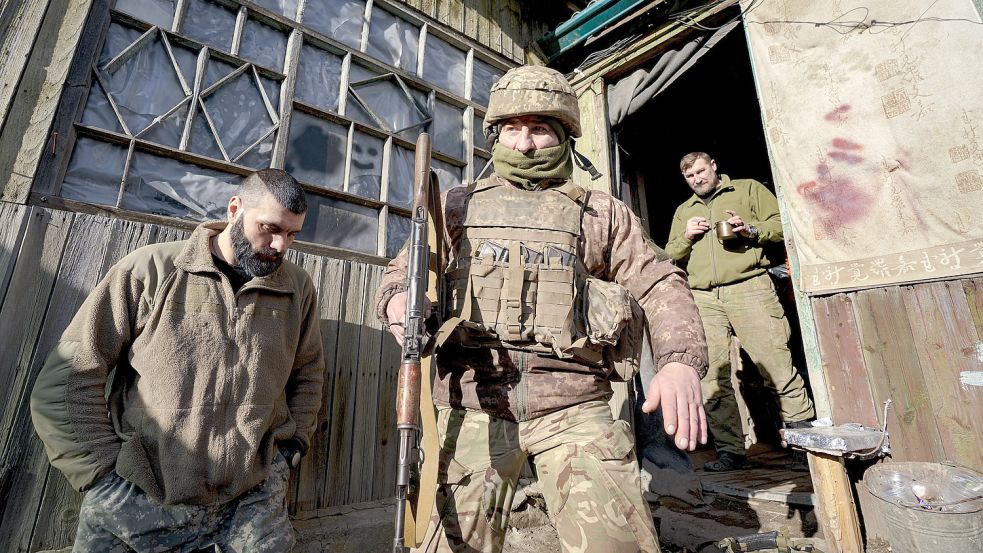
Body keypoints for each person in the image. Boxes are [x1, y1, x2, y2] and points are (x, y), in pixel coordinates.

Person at [376, 65, 709, 553]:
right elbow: (402, 274)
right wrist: (401, 302)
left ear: (564, 135)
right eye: (513, 128)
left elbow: (659, 281)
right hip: (474, 406)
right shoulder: (455, 205)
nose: (525, 143)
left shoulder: (602, 212)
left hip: (575, 406)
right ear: (496, 134)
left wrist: (681, 360)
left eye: (539, 129)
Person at [31, 169, 325, 551]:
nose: (280, 245)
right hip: (142, 499)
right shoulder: (151, 271)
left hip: (251, 503)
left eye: (291, 234)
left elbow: (309, 375)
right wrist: (103, 474)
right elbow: (68, 377)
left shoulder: (295, 288)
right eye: (269, 228)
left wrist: (288, 454)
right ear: (235, 208)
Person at [665, 152, 815, 472]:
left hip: (749, 286)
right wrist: (686, 236)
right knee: (712, 376)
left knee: (775, 364)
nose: (698, 180)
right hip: (702, 297)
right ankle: (730, 450)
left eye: (702, 172)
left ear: (714, 166)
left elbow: (781, 225)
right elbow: (669, 256)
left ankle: (804, 443)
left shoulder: (747, 190)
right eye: (690, 177)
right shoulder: (684, 211)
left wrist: (750, 229)